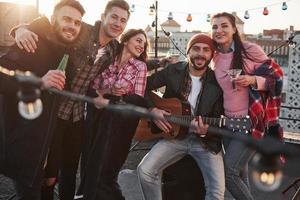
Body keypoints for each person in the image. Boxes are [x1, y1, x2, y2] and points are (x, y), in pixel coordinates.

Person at [12, 0, 131, 199]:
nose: (118, 24)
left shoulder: (113, 50)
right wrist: (20, 29)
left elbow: (132, 55)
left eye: (123, 21)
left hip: (77, 116)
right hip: (54, 111)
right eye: (114, 17)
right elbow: (48, 24)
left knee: (70, 170)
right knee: (48, 174)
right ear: (103, 17)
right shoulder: (80, 30)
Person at [0, 0, 84, 199]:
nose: (72, 26)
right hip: (24, 145)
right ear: (53, 19)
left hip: (47, 142)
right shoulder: (31, 41)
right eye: (67, 19)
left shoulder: (66, 50)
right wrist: (39, 82)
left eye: (77, 22)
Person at [137, 33, 225, 200]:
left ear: (212, 55)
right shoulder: (173, 71)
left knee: (217, 191)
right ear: (188, 51)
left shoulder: (217, 82)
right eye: (196, 49)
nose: (201, 54)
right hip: (175, 137)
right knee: (145, 170)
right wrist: (152, 109)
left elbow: (219, 118)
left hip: (205, 142)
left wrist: (206, 131)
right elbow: (143, 86)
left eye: (206, 50)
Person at [211, 12, 283, 200]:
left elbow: (276, 79)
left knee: (228, 172)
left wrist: (253, 79)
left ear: (234, 29)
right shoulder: (215, 56)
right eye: (215, 27)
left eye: (224, 26)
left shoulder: (250, 50)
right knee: (240, 172)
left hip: (250, 123)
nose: (219, 30)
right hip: (228, 123)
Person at [81, 28, 148, 200]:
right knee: (90, 163)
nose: (142, 45)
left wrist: (118, 96)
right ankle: (86, 194)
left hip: (120, 121)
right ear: (126, 40)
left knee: (107, 169)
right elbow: (93, 86)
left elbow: (138, 97)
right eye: (138, 40)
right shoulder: (108, 59)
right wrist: (109, 90)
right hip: (96, 115)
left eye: (144, 43)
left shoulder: (140, 66)